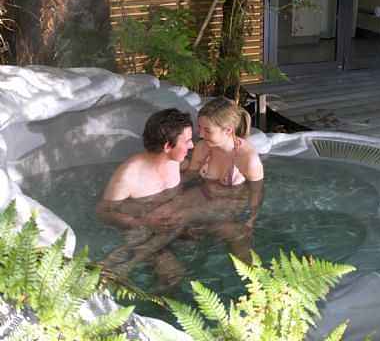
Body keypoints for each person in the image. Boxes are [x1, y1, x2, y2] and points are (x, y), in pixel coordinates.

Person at [145, 97, 264, 262]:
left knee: (181, 216)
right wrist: (164, 187)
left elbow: (256, 192)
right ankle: (158, 254)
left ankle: (139, 259)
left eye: (207, 130)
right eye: (200, 128)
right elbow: (191, 175)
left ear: (228, 130)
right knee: (158, 211)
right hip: (203, 194)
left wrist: (251, 221)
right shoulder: (204, 146)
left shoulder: (246, 158)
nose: (200, 134)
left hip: (229, 202)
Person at [96, 108, 194, 285]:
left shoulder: (176, 161)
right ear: (167, 146)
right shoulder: (129, 176)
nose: (192, 146)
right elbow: (103, 212)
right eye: (187, 141)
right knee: (173, 275)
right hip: (141, 231)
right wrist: (144, 223)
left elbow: (193, 169)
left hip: (169, 224)